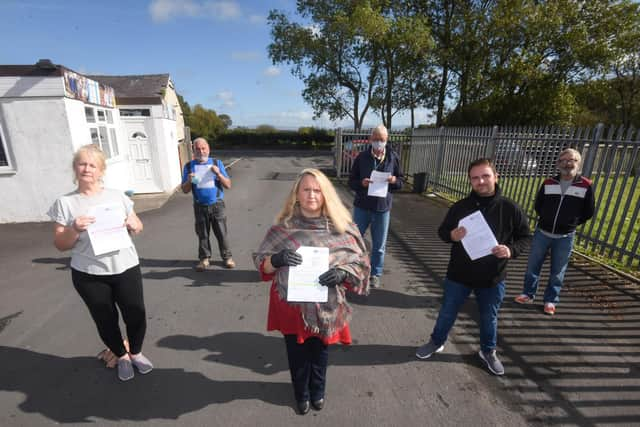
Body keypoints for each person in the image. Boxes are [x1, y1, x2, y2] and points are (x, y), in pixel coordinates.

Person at [253, 168, 370, 415]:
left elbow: (360, 263)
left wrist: (343, 273)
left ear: (326, 194)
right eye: (306, 189)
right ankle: (301, 394)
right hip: (290, 307)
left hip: (326, 306)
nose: (312, 195)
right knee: (296, 354)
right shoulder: (281, 228)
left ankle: (318, 390)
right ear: (296, 194)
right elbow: (262, 263)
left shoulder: (343, 227)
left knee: (320, 353)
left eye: (317, 190)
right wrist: (276, 259)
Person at [415, 158, 531, 376]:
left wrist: (510, 250)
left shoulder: (510, 208)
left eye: (485, 176)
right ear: (470, 181)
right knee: (447, 311)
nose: (481, 181)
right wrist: (452, 235)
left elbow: (525, 237)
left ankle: (488, 351)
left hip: (492, 277)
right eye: (475, 178)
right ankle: (436, 341)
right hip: (459, 274)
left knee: (489, 317)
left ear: (496, 177)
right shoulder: (461, 207)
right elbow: (443, 232)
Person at [47, 144, 153, 382]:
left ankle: (135, 352)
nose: (86, 169)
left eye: (92, 165)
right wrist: (74, 228)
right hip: (89, 273)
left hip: (125, 266)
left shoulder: (117, 196)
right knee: (105, 319)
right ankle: (121, 356)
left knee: (136, 313)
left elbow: (137, 225)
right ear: (75, 168)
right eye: (82, 164)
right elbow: (60, 244)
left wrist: (134, 225)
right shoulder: (65, 203)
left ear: (101, 170)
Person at [515, 148, 595, 315]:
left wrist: (571, 223)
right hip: (542, 232)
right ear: (558, 163)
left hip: (565, 236)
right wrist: (546, 217)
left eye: (572, 160)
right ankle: (528, 294)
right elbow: (538, 205)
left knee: (558, 271)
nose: (567, 163)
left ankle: (550, 300)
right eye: (564, 160)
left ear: (578, 163)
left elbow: (588, 211)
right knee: (532, 266)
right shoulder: (548, 182)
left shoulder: (586, 185)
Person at [348, 124, 403, 288]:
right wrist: (361, 183)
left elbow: (401, 182)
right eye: (376, 139)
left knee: (379, 246)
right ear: (371, 139)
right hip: (362, 207)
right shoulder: (362, 157)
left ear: (387, 140)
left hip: (382, 209)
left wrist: (394, 181)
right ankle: (354, 270)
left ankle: (375, 274)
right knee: (355, 241)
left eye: (382, 140)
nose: (379, 142)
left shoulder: (393, 157)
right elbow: (351, 181)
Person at [182, 137, 235, 271]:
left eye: (203, 148)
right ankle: (204, 259)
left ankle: (227, 258)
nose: (201, 151)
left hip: (217, 204)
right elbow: (185, 190)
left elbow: (228, 185)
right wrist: (189, 180)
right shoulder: (189, 166)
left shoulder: (217, 163)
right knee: (202, 234)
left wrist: (218, 174)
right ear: (193, 150)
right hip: (199, 205)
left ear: (208, 149)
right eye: (197, 149)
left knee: (222, 233)